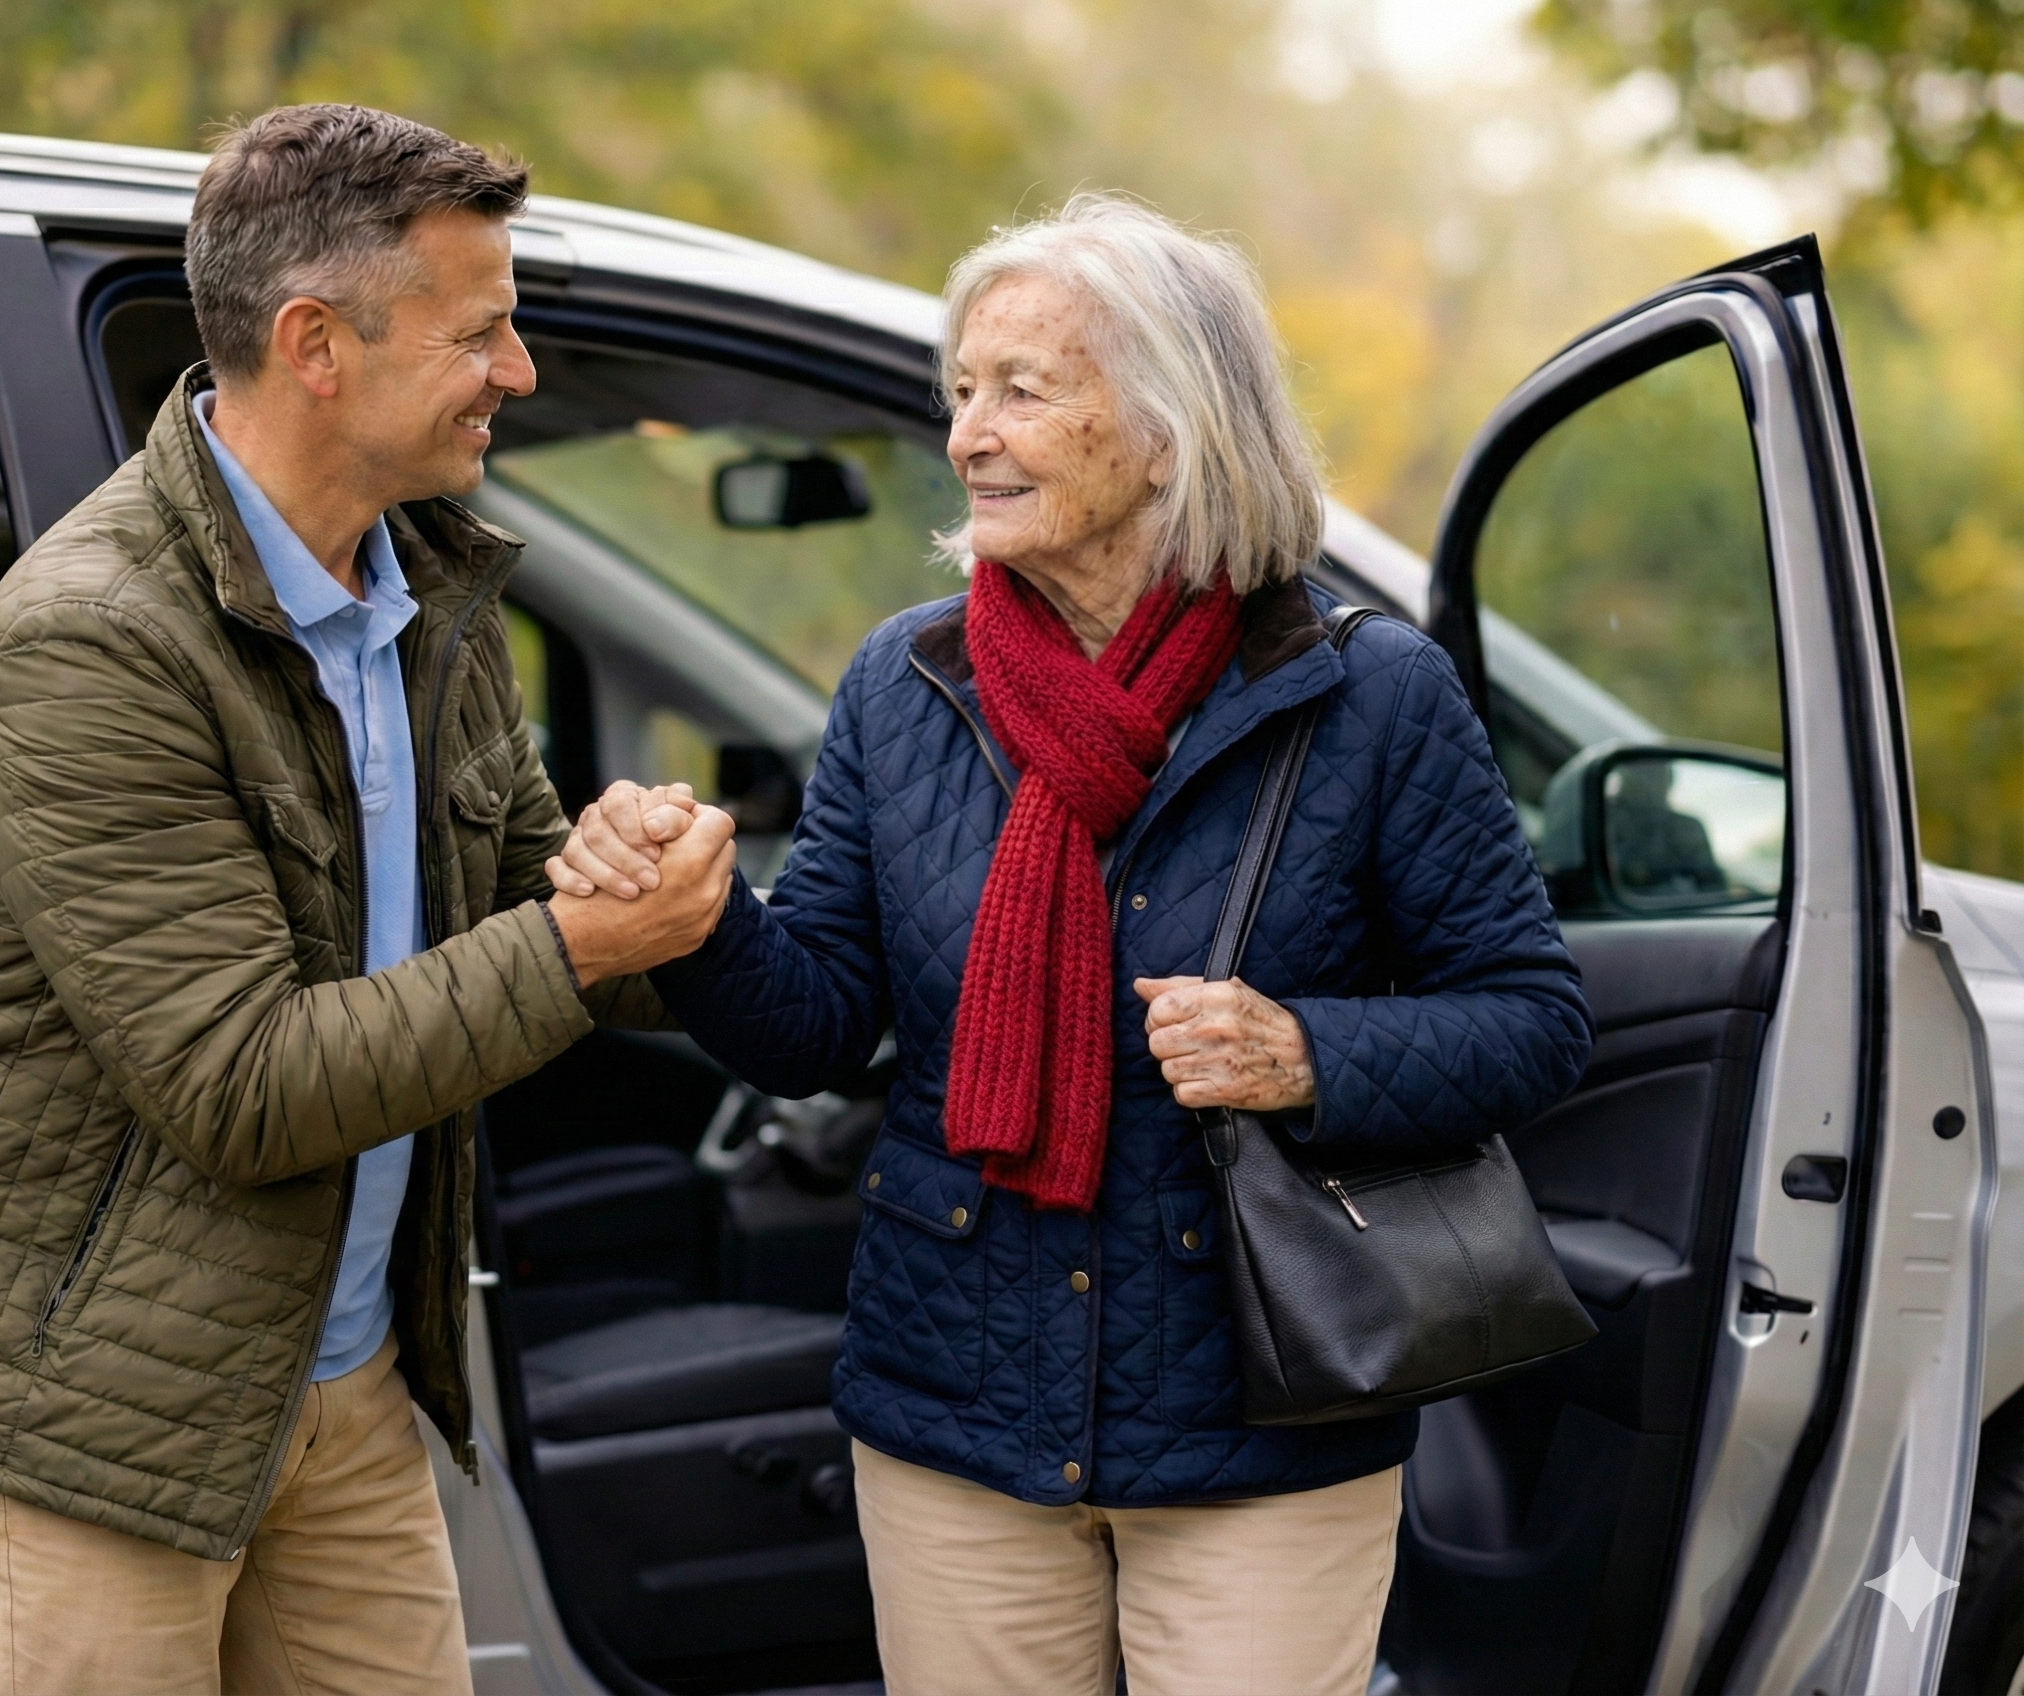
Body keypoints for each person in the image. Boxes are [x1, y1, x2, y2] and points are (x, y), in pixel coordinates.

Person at [548, 195, 1593, 1696]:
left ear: (1171, 428)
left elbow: (1534, 1021)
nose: (970, 432)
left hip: (1261, 1418)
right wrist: (701, 923)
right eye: (962, 391)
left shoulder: (1371, 696)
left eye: (1023, 390)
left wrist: (1308, 1054)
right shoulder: (903, 684)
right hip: (953, 1410)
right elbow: (817, 1027)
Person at [0, 104, 731, 1696]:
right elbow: (245, 1085)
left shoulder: (421, 592)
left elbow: (534, 900)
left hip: (345, 1389)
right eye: (484, 332)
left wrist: (660, 887)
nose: (520, 373)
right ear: (316, 344)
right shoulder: (91, 641)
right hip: (101, 1428)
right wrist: (577, 939)